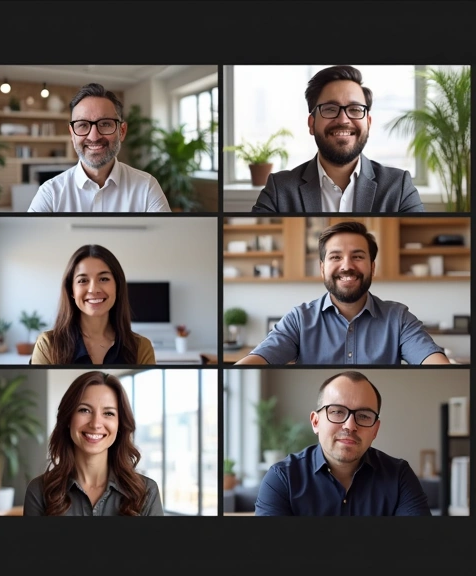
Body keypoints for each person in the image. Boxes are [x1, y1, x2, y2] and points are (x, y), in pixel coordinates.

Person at [235, 221, 448, 365]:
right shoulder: (299, 319)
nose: (347, 266)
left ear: (372, 267)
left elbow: (434, 361)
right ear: (322, 268)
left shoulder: (399, 318)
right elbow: (258, 359)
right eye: (336, 257)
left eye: (357, 256)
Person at [254, 371, 431, 516]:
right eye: (337, 412)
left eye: (363, 416)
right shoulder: (282, 479)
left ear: (375, 430)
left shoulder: (400, 477)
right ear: (316, 422)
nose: (350, 426)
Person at [251, 65, 424, 213]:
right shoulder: (279, 189)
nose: (343, 120)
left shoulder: (398, 188)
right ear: (312, 124)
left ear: (368, 123)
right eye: (329, 109)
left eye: (355, 109)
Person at [24, 371, 163, 516]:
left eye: (108, 413)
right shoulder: (39, 492)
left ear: (120, 425)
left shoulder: (146, 492)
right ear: (68, 419)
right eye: (84, 410)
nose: (96, 424)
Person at [27, 83, 170, 213]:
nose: (94, 137)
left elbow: (165, 240)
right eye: (83, 125)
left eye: (105, 124)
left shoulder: (146, 187)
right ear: (72, 134)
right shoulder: (50, 193)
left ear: (122, 131)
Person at [31, 244, 156, 365]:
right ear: (71, 291)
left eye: (103, 279)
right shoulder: (48, 345)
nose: (93, 289)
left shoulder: (141, 348)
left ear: (117, 286)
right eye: (83, 280)